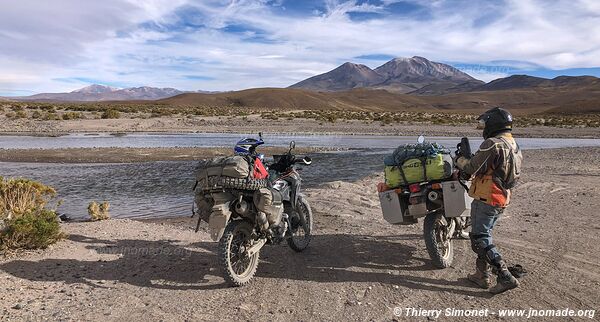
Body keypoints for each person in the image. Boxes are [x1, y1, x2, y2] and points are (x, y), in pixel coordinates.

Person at [455, 107, 523, 294]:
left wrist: (459, 160)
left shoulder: (492, 144)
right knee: (485, 234)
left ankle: (504, 275)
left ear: (493, 124)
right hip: (501, 198)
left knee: (479, 239)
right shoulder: (514, 144)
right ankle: (481, 275)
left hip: (487, 197)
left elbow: (470, 168)